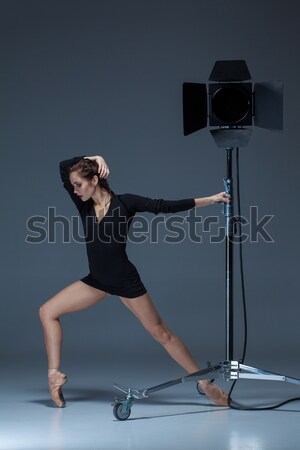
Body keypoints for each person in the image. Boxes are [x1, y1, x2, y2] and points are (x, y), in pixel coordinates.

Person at [39, 155, 230, 408]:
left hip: (123, 279)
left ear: (94, 180)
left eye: (78, 184)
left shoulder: (125, 203)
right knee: (47, 311)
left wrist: (211, 199)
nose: (74, 190)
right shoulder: (83, 204)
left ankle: (204, 382)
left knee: (161, 333)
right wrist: (94, 157)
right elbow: (63, 166)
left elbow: (165, 206)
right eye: (73, 185)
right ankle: (54, 376)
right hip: (97, 281)